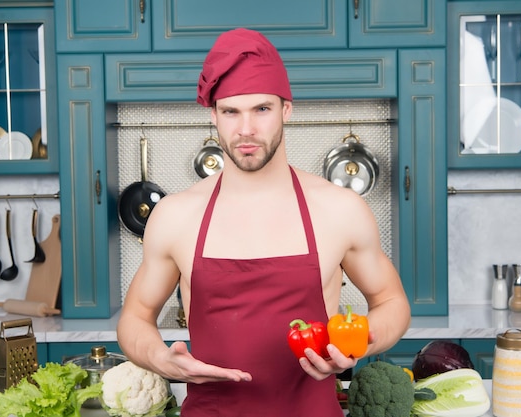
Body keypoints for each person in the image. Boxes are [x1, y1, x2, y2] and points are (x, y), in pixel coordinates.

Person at [117, 28, 411, 416]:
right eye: (231, 112)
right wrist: (160, 358)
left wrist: (359, 345)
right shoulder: (176, 215)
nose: (246, 130)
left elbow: (392, 303)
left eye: (261, 109)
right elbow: (135, 317)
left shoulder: (339, 209)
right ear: (214, 116)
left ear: (286, 109)